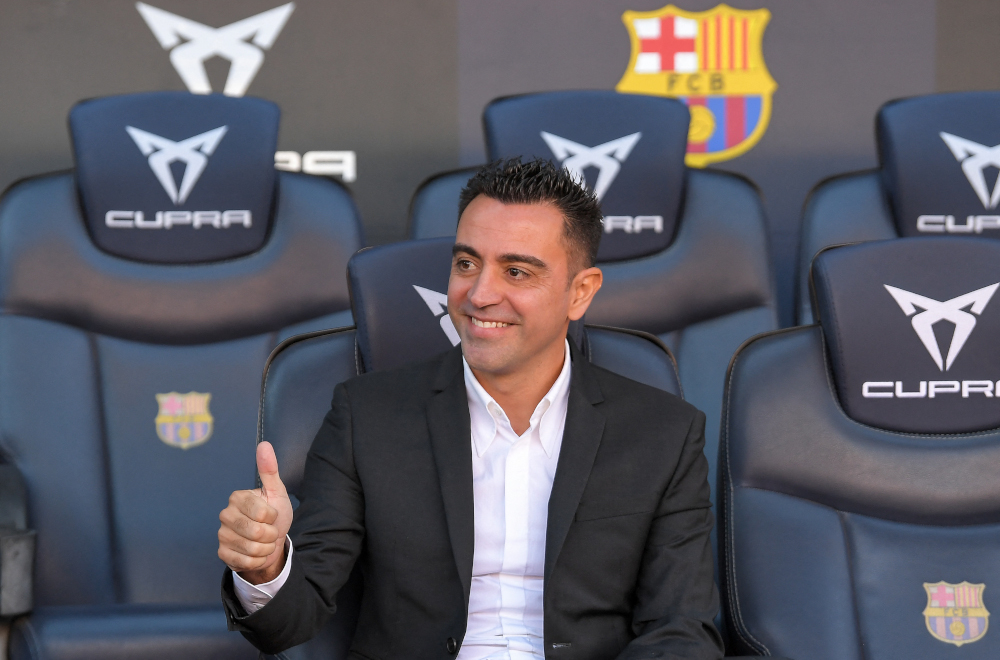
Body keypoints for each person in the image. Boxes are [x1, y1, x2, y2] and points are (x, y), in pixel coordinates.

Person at [218, 158, 724, 659]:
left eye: (517, 271)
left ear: (580, 292)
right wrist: (266, 566)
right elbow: (289, 623)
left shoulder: (664, 433)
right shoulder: (366, 416)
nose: (479, 294)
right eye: (466, 263)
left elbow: (681, 631)